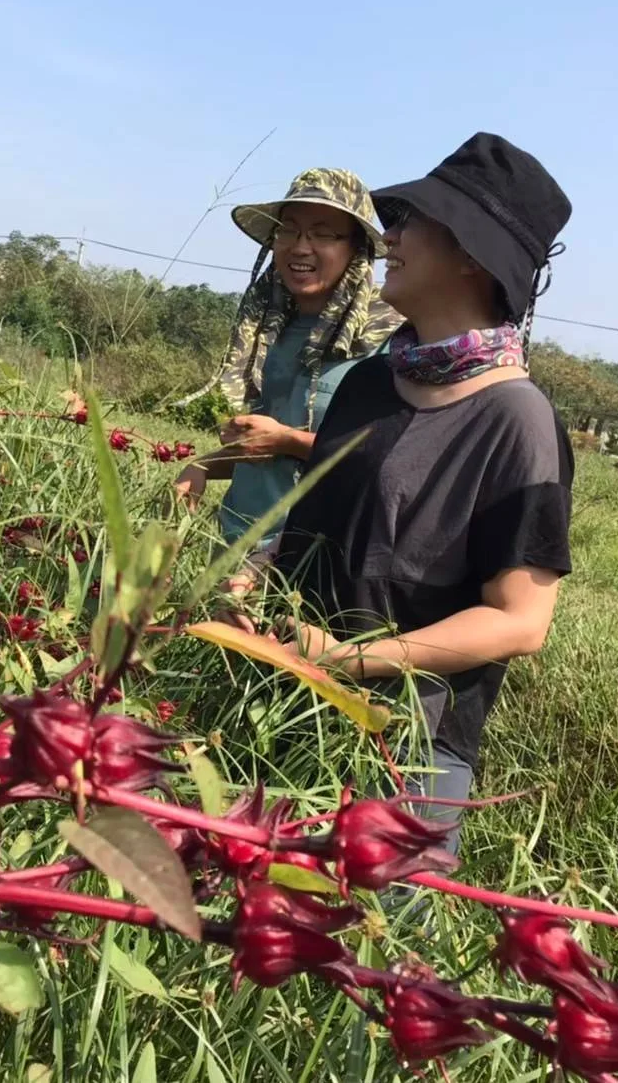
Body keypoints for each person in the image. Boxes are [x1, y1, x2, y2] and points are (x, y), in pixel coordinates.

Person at [223, 133, 575, 854]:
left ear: (472, 254)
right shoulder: (369, 383)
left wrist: (351, 660)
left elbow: (520, 622)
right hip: (289, 704)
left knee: (375, 923)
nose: (390, 238)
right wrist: (255, 568)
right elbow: (321, 518)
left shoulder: (517, 420)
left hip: (405, 745)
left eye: (412, 223)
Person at [173, 169, 402, 548]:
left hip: (312, 558)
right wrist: (203, 465)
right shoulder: (266, 328)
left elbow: (390, 457)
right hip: (234, 547)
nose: (300, 247)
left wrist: (288, 441)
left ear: (356, 249)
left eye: (323, 234)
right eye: (288, 230)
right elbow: (265, 448)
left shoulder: (387, 338)